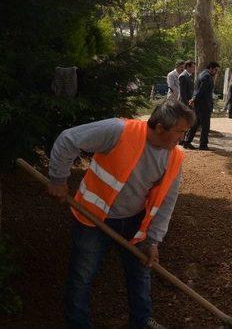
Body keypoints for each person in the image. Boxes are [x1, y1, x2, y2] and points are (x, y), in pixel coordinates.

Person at [47, 100, 195, 329]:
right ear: (159, 127)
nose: (183, 138)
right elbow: (68, 139)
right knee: (82, 276)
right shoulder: (118, 131)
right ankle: (77, 323)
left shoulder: (174, 157)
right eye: (180, 131)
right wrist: (58, 179)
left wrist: (153, 240)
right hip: (93, 218)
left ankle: (142, 321)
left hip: (134, 222)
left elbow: (167, 201)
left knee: (140, 273)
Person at [184, 61, 220, 150]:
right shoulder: (207, 76)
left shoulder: (202, 74)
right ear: (211, 68)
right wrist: (194, 99)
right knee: (205, 126)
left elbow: (197, 90)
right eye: (215, 70)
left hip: (200, 104)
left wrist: (194, 99)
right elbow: (201, 91)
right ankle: (203, 145)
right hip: (204, 105)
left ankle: (187, 142)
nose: (216, 72)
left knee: (195, 124)